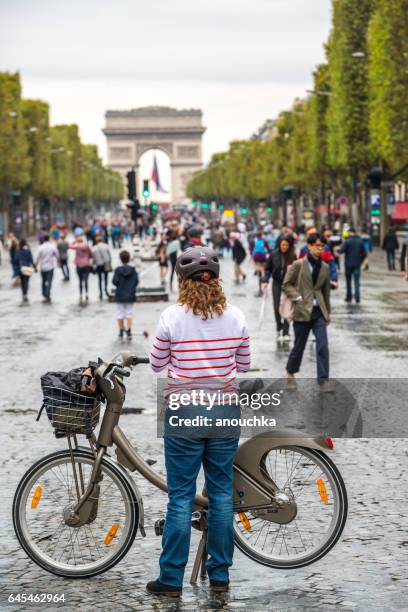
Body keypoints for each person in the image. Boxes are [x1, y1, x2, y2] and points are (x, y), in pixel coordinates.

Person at [147, 246, 250, 597]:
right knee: (221, 494)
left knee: (180, 497)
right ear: (217, 280)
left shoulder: (171, 317)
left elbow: (157, 363)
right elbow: (245, 363)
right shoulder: (235, 316)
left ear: (181, 280)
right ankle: (220, 575)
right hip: (223, 410)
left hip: (184, 412)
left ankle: (171, 579)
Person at [283, 233, 332, 391]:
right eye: (317, 245)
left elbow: (326, 293)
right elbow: (286, 284)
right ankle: (290, 371)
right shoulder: (299, 264)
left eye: (322, 246)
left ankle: (323, 381)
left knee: (322, 345)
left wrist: (327, 313)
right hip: (302, 311)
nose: (320, 249)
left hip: (318, 312)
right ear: (309, 246)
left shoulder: (325, 267)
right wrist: (297, 297)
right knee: (299, 346)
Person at [263, 233, 296, 342]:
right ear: (279, 244)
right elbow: (267, 269)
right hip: (277, 282)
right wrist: (265, 280)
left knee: (287, 307)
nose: (284, 247)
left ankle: (286, 331)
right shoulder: (273, 255)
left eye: (287, 245)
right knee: (277, 306)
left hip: (288, 284)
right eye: (283, 245)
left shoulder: (293, 256)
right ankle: (279, 326)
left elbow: (296, 270)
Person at [112, 250, 139, 338]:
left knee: (120, 313)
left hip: (120, 294)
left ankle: (120, 331)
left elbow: (114, 281)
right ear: (129, 259)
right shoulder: (133, 270)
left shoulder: (117, 270)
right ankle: (129, 331)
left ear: (120, 259)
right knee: (129, 313)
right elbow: (136, 281)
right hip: (130, 294)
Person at [339, 227, 366, 303]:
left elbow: (341, 251)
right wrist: (360, 261)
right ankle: (357, 297)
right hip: (357, 264)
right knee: (357, 282)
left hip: (348, 264)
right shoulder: (360, 241)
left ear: (350, 232)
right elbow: (364, 253)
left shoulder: (347, 241)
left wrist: (337, 249)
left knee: (348, 281)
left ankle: (349, 297)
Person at [70, 233, 93, 303]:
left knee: (80, 280)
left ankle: (80, 294)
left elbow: (70, 246)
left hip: (79, 265)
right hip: (86, 264)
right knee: (86, 280)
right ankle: (86, 293)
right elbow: (91, 254)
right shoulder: (86, 246)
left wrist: (74, 241)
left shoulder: (76, 246)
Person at [35, 234, 59, 303]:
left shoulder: (40, 247)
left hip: (43, 267)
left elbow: (37, 258)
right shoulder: (52, 247)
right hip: (50, 267)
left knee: (43, 281)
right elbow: (57, 255)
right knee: (49, 281)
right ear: (49, 239)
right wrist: (58, 263)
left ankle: (44, 293)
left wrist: (36, 266)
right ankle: (47, 293)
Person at [15, 238, 35, 303]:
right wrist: (34, 266)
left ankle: (24, 293)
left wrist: (16, 272)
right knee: (26, 281)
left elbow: (16, 260)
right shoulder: (28, 250)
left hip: (21, 268)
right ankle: (25, 294)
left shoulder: (18, 250)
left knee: (23, 282)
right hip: (27, 268)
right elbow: (31, 259)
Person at [93, 235, 112, 299]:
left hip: (99, 264)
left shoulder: (95, 247)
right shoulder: (106, 246)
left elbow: (93, 258)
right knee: (106, 278)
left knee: (100, 279)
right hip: (105, 263)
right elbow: (109, 255)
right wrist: (109, 263)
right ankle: (106, 289)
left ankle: (100, 292)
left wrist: (94, 264)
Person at [252, 231, 270, 296]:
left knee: (259, 274)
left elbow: (253, 250)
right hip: (263, 259)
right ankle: (264, 288)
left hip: (257, 259)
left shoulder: (255, 241)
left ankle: (260, 289)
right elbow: (268, 250)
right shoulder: (264, 241)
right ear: (261, 235)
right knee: (265, 272)